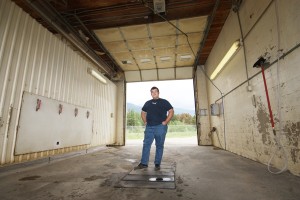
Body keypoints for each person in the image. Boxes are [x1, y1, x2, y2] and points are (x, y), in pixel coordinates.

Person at [134, 86, 174, 170]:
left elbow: (171, 111)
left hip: (160, 127)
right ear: (151, 93)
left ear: (158, 93)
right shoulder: (147, 103)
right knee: (146, 144)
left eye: (155, 91)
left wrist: (166, 122)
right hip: (149, 127)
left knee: (159, 145)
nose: (154, 93)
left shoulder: (164, 102)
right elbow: (143, 113)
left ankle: (157, 163)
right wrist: (145, 122)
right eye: (152, 92)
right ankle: (144, 163)